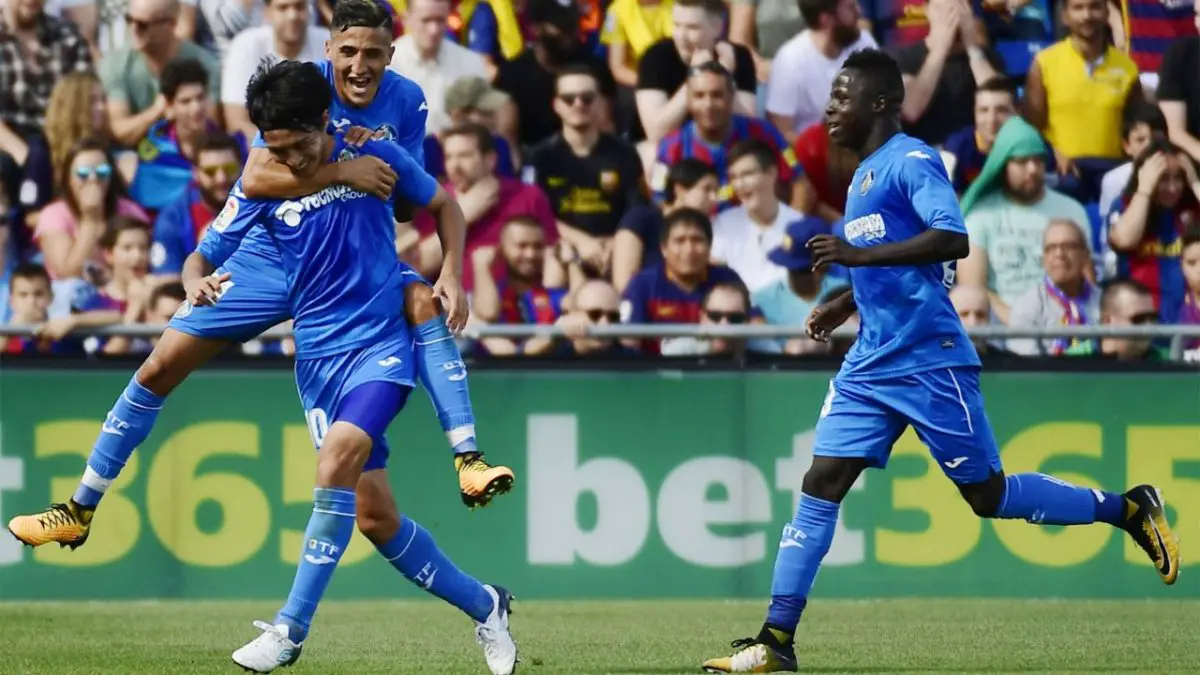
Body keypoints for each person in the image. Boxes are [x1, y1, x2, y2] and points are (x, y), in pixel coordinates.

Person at [700, 48, 1180, 674]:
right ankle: (775, 639)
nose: (830, 110)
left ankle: (1127, 508)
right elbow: (914, 265)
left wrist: (856, 258)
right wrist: (847, 300)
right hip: (871, 362)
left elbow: (953, 238)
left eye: (841, 97)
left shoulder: (913, 159)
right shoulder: (863, 174)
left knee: (987, 494)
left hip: (930, 360)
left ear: (879, 102)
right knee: (821, 483)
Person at [6, 0, 513, 553]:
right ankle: (79, 508)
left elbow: (409, 203)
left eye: (372, 54)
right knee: (158, 367)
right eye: (347, 52)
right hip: (267, 259)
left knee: (418, 310)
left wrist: (447, 263)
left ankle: (469, 465)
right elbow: (256, 177)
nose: (359, 65)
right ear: (328, 49)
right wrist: (343, 170)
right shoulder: (299, 88)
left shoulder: (408, 101)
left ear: (391, 54)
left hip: (345, 261)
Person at [180, 60, 516, 674]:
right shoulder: (266, 181)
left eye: (299, 144)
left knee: (334, 462)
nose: (292, 159)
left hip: (379, 346)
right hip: (317, 360)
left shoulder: (376, 155)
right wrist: (194, 279)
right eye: (278, 148)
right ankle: (486, 605)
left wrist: (450, 272)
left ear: (324, 120)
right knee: (375, 516)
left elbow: (444, 206)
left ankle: (289, 631)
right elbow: (206, 250)